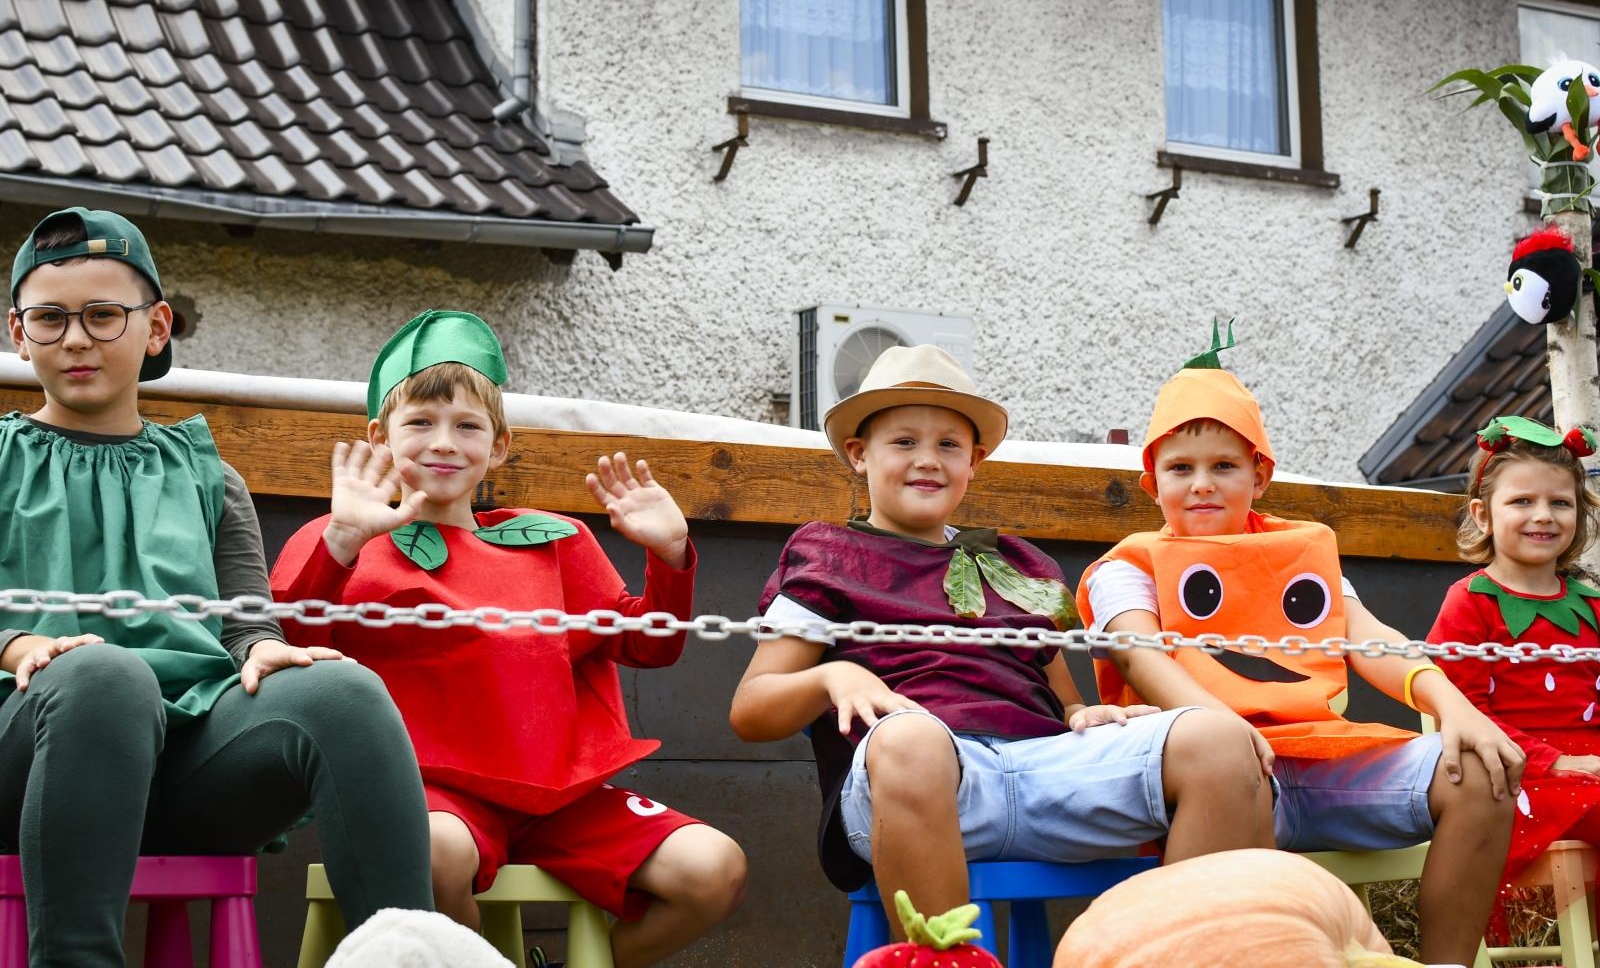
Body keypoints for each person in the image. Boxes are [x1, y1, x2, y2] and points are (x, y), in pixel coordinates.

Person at [0, 207, 432, 968]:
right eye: (50, 318)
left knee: (345, 691)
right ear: (17, 331)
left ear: (157, 326)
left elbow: (244, 621)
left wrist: (262, 645)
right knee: (106, 673)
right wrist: (19, 643)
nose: (75, 338)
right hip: (32, 761)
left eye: (104, 315)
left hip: (185, 769)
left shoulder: (208, 476)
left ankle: (409, 957)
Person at [729, 344, 1273, 934]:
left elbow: (1062, 697)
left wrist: (1079, 714)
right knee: (911, 739)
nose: (928, 460)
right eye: (904, 442)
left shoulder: (1019, 561)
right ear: (860, 455)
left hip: (1045, 771)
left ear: (975, 460)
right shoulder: (825, 553)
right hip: (918, 782)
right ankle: (947, 955)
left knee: (1218, 740)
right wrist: (832, 675)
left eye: (948, 445)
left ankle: (1171, 949)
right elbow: (751, 710)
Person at [271, 310, 745, 968]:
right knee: (436, 851)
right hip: (433, 796)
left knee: (713, 867)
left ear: (498, 444)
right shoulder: (339, 539)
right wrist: (343, 544)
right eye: (419, 422)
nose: (444, 441)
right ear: (378, 436)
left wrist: (669, 555)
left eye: (467, 425)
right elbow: (289, 648)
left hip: (562, 801)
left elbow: (651, 646)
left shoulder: (555, 539)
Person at [1078, 323, 1524, 966]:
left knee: (1480, 775)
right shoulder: (1132, 565)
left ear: (1259, 476)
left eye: (1224, 466)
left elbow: (1367, 637)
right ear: (1152, 482)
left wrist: (1453, 705)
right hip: (1223, 776)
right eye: (1181, 468)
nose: (1201, 483)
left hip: (1325, 760)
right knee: (1234, 845)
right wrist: (1222, 731)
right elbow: (1137, 654)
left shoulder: (1300, 552)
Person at [1426, 416, 1600, 931]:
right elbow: (1463, 711)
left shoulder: (1592, 603)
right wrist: (1561, 760)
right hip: (1521, 771)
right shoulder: (1471, 603)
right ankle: (1541, 941)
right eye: (1522, 501)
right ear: (1483, 514)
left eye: (1560, 502)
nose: (1542, 516)